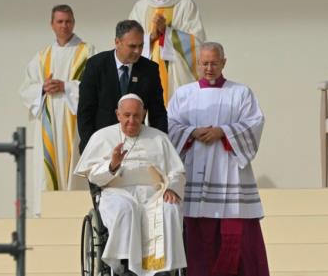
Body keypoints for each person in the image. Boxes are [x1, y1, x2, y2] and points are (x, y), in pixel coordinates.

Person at [167, 42, 270, 276]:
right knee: (197, 238)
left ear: (224, 62)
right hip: (194, 167)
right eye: (205, 63)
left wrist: (223, 131)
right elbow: (169, 125)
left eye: (214, 63)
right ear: (198, 64)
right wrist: (190, 132)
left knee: (237, 235)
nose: (209, 68)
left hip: (229, 171)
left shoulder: (241, 92)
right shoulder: (184, 94)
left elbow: (255, 122)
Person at [75, 94, 186, 276]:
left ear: (144, 115)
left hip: (154, 193)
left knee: (169, 208)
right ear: (118, 114)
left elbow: (177, 171)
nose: (131, 121)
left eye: (136, 115)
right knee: (127, 209)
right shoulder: (102, 137)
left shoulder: (159, 138)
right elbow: (93, 175)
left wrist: (172, 187)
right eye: (126, 115)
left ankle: (162, 268)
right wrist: (112, 165)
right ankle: (125, 266)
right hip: (116, 192)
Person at [19, 5, 95, 215]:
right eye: (60, 22)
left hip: (74, 120)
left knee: (74, 166)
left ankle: (77, 214)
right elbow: (25, 89)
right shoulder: (43, 57)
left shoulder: (87, 51)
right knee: (48, 168)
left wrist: (67, 87)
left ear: (74, 22)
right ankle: (48, 214)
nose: (64, 26)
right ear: (52, 24)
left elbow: (94, 87)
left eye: (68, 21)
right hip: (49, 123)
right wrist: (42, 88)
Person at [129, 0, 206, 105]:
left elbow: (198, 42)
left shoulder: (185, 4)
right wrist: (150, 37)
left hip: (176, 75)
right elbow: (127, 42)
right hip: (146, 73)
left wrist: (168, 33)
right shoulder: (140, 8)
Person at [77, 20, 166, 153]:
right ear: (117, 42)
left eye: (141, 46)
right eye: (132, 46)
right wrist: (89, 146)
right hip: (102, 145)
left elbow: (158, 113)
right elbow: (85, 112)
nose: (137, 51)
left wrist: (160, 145)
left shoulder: (149, 70)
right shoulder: (96, 66)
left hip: (137, 146)